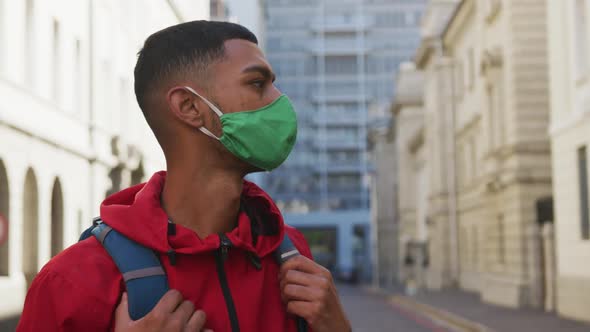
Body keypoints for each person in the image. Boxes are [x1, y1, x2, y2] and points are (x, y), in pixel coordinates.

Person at [17, 21, 351, 332]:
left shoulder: (292, 258)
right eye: (257, 83)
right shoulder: (73, 281)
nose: (280, 102)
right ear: (190, 107)